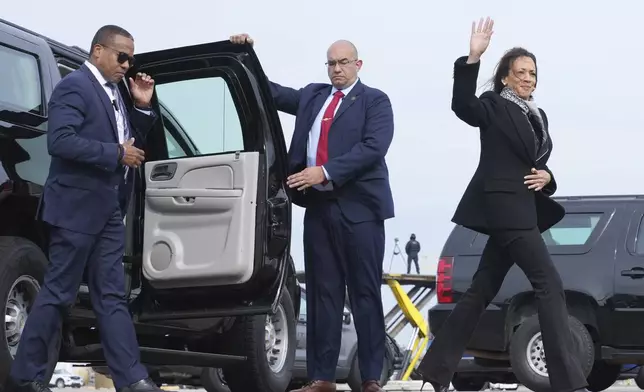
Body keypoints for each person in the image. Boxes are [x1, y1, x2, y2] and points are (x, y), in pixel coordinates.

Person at [416, 17, 589, 392]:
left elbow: (535, 164)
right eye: (521, 72)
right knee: (549, 284)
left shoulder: (536, 115)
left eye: (533, 73)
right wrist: (472, 58)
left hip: (523, 209)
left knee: (480, 291)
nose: (528, 78)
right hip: (505, 209)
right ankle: (567, 382)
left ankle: (435, 372)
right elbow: (462, 105)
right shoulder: (493, 105)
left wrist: (548, 178)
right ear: (506, 78)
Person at [229, 34, 394, 392]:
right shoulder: (313, 96)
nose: (336, 69)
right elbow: (267, 91)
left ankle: (370, 378)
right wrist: (245, 54)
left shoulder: (375, 101)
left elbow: (373, 148)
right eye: (331, 63)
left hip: (360, 210)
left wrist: (326, 171)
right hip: (319, 210)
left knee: (365, 293)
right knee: (322, 294)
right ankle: (322, 377)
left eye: (343, 63)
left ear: (358, 65)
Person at [7, 25, 162, 392]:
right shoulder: (74, 86)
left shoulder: (118, 93)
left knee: (111, 298)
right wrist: (115, 153)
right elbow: (60, 142)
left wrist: (141, 107)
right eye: (121, 56)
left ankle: (133, 379)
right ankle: (24, 377)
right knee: (57, 294)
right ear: (98, 52)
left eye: (131, 58)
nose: (127, 64)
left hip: (108, 210)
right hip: (75, 209)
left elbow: (129, 140)